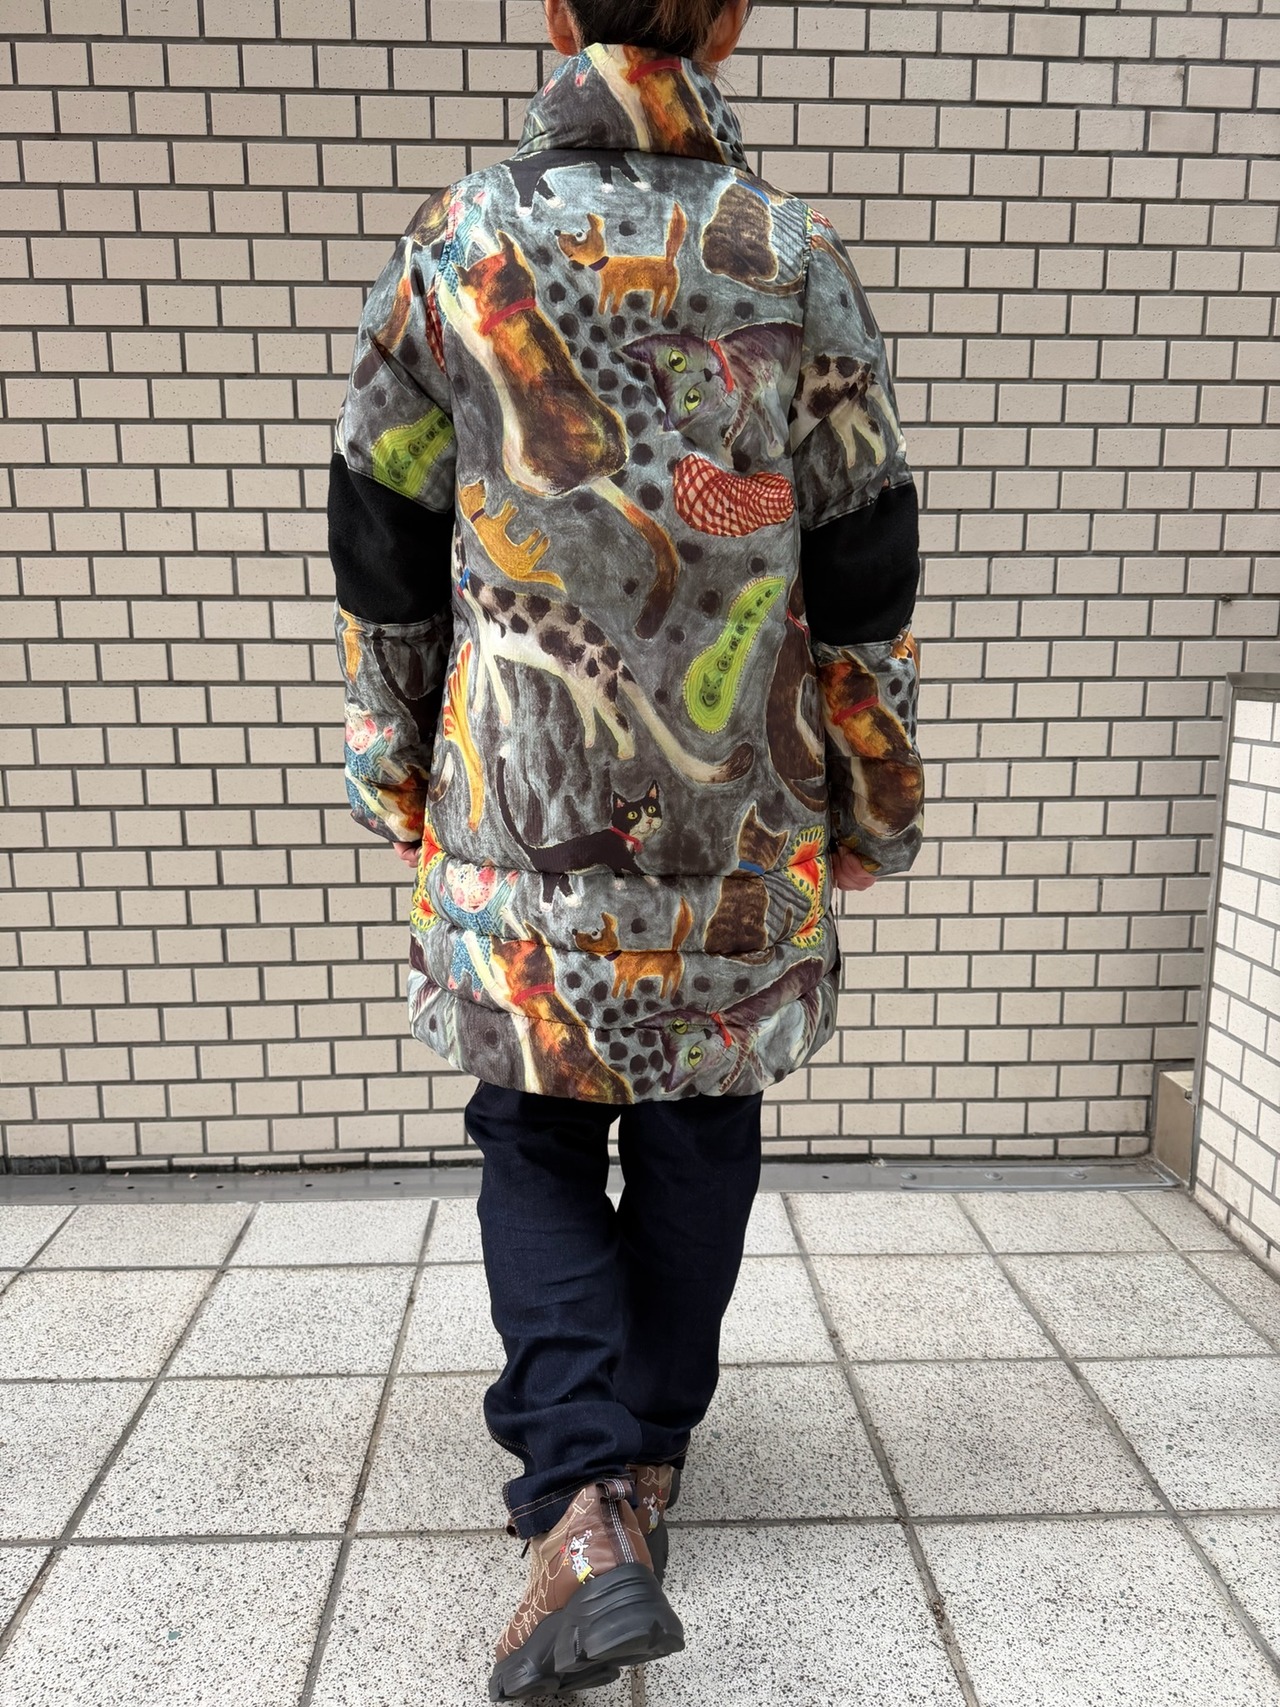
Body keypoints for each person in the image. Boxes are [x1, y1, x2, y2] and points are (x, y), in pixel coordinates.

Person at [327, 0, 925, 1694]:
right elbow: (864, 560)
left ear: (554, 12)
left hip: (521, 807)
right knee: (699, 1126)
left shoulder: (463, 243)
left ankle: (580, 1505)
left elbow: (381, 533)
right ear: (731, 19)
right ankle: (642, 1462)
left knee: (532, 1131)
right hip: (742, 817)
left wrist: (394, 757)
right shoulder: (794, 262)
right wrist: (873, 791)